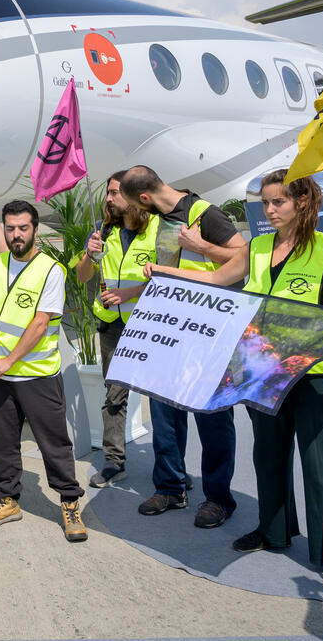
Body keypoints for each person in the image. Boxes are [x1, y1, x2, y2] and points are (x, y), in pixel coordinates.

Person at [147, 169, 323, 588]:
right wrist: (165, 273)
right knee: (268, 458)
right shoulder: (257, 248)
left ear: (302, 202)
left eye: (278, 203)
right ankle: (275, 532)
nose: (269, 211)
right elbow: (216, 278)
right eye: (265, 203)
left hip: (314, 378)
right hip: (262, 374)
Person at [120, 165, 247, 529]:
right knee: (164, 416)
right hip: (169, 332)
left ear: (144, 197)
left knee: (213, 419)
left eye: (133, 203)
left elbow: (245, 257)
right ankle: (171, 487)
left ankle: (218, 498)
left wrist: (202, 246)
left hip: (207, 335)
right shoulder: (158, 219)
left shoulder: (203, 213)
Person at [0, 200, 86, 541]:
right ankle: (8, 501)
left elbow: (39, 324)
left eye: (23, 228)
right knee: (2, 443)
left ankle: (70, 504)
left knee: (54, 445)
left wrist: (10, 360)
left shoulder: (50, 270)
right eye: (10, 229)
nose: (17, 234)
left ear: (35, 229)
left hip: (37, 374)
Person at [73, 171, 159, 487]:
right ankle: (114, 461)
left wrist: (129, 294)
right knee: (114, 395)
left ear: (136, 195)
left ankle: (169, 467)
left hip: (149, 325)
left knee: (160, 401)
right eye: (108, 192)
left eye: (115, 192)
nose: (109, 198)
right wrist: (88, 254)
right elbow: (83, 276)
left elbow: (166, 278)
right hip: (111, 325)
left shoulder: (156, 230)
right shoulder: (102, 231)